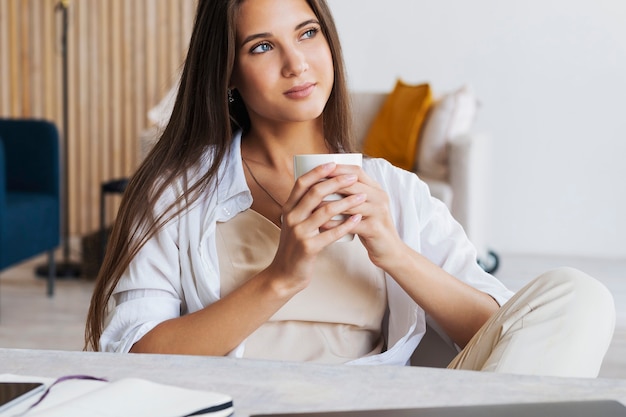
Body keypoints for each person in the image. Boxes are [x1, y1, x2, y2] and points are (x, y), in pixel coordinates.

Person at [85, 0, 615, 377]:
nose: (296, 63)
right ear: (227, 71)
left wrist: (395, 254)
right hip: (241, 406)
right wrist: (280, 277)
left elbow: (506, 334)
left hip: (373, 405)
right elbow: (130, 354)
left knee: (579, 297)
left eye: (307, 32)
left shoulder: (394, 192)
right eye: (263, 46)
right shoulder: (176, 191)